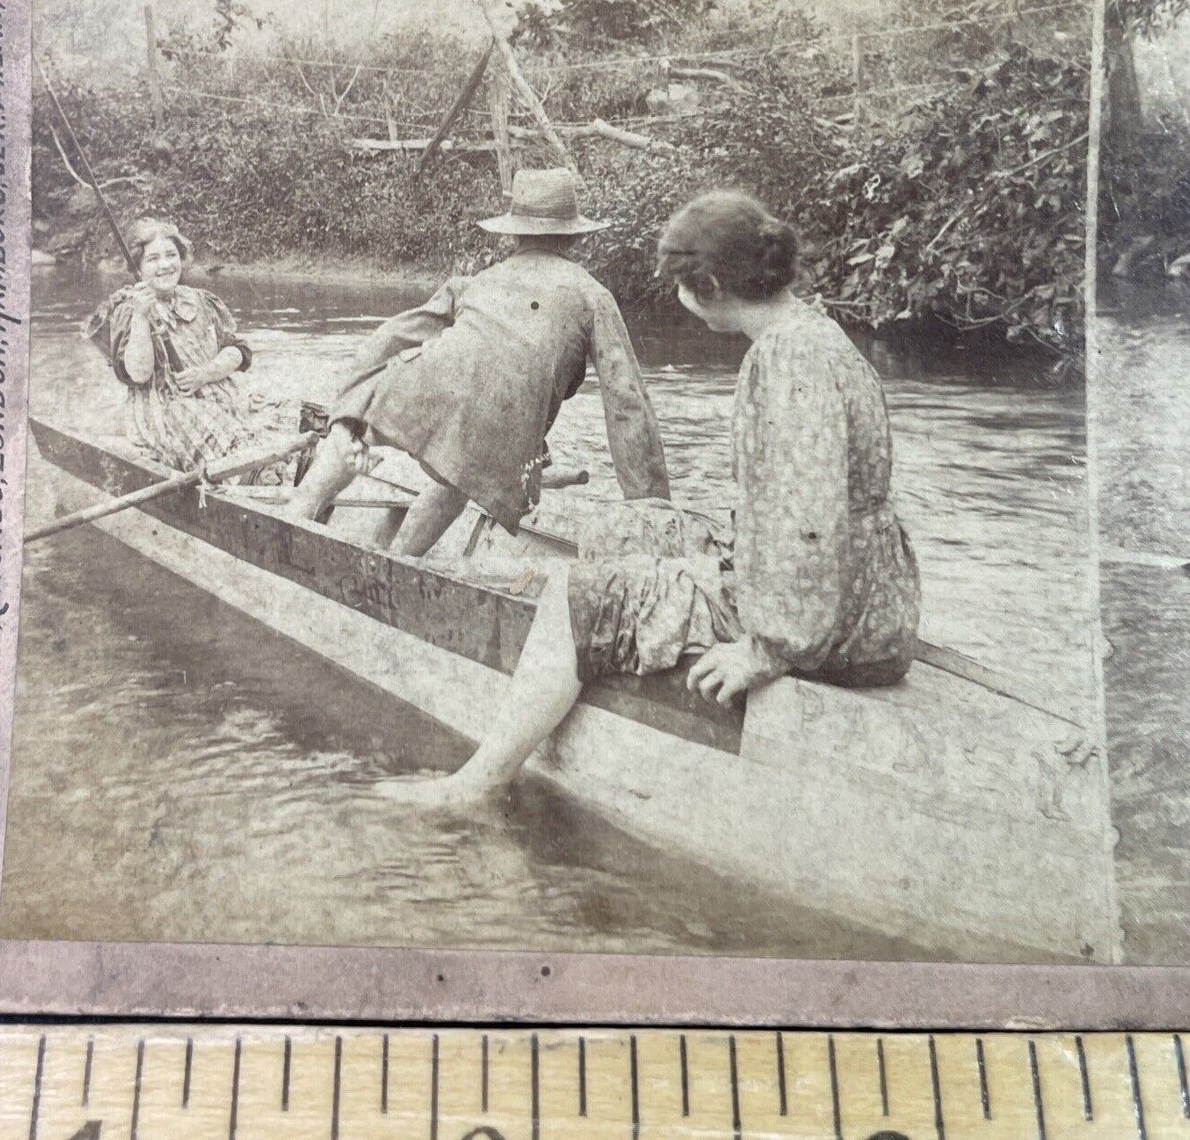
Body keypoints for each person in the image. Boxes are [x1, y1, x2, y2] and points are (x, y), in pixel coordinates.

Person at [378, 189, 921, 808]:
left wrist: (767, 649)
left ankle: (475, 784)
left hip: (837, 621)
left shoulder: (788, 364)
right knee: (621, 529)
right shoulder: (812, 332)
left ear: (710, 284)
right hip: (872, 591)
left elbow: (811, 524)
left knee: (574, 595)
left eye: (681, 287)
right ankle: (575, 675)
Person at [284, 167, 673, 555]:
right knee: (466, 472)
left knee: (367, 430)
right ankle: (399, 558)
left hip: (423, 382)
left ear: (514, 235)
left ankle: (293, 516)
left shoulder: (478, 280)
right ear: (574, 240)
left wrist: (345, 417)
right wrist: (652, 510)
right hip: (503, 426)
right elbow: (627, 406)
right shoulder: (593, 295)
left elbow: (388, 338)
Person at [86, 217, 289, 476]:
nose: (165, 265)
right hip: (169, 409)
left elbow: (238, 349)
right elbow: (138, 375)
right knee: (236, 451)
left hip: (218, 395)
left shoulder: (201, 300)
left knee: (291, 419)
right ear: (138, 266)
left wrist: (206, 373)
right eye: (153, 259)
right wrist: (140, 317)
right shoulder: (128, 311)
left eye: (171, 255)